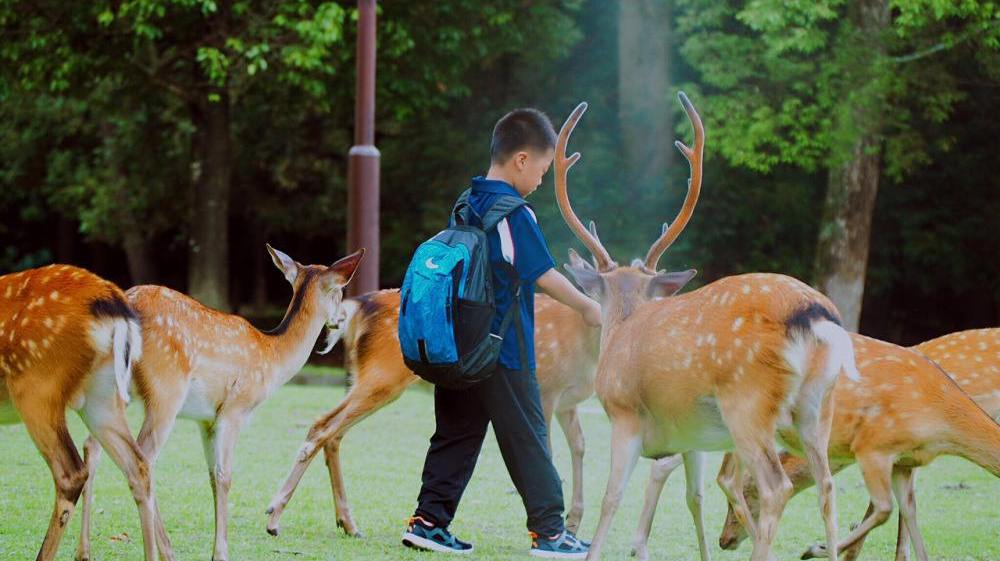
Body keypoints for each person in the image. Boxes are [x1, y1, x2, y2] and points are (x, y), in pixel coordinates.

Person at [402, 108, 601, 559]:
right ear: (522, 160)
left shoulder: (465, 202)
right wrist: (589, 306)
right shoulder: (513, 213)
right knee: (528, 436)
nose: (541, 181)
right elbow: (542, 273)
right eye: (544, 170)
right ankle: (551, 533)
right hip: (503, 349)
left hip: (457, 344)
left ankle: (428, 522)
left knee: (455, 433)